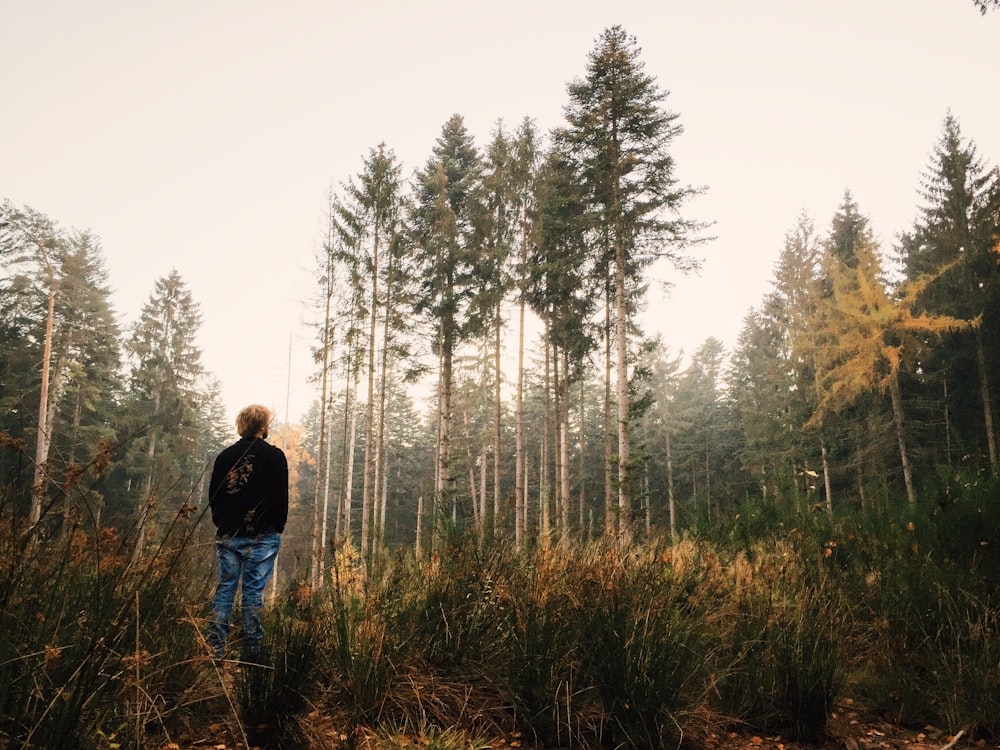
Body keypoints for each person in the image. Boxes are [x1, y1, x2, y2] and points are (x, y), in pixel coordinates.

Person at [207, 404, 288, 662]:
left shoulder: (225, 457)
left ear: (241, 424)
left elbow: (215, 496)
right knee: (253, 592)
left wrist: (222, 522)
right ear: (264, 426)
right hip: (263, 536)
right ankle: (250, 658)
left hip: (229, 534)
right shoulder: (275, 457)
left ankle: (214, 652)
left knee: (225, 590)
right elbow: (280, 498)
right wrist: (277, 527)